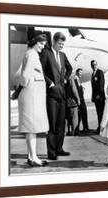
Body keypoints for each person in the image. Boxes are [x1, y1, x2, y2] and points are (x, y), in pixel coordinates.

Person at [18, 33, 49, 167]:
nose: (43, 46)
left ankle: (32, 156)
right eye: (41, 43)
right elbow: (25, 75)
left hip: (32, 96)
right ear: (36, 42)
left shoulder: (32, 54)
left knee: (32, 129)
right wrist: (21, 89)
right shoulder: (31, 54)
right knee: (32, 128)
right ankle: (33, 157)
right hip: (31, 96)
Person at [40, 32, 73, 160]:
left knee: (61, 124)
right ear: (53, 41)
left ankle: (59, 149)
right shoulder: (46, 53)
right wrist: (50, 83)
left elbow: (69, 69)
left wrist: (65, 78)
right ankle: (51, 152)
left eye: (63, 44)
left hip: (62, 94)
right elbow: (40, 70)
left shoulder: (63, 55)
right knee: (52, 124)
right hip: (52, 95)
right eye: (59, 43)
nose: (61, 46)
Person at [91, 60, 105, 134]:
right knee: (98, 113)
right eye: (93, 65)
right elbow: (93, 87)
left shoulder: (100, 72)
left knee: (101, 113)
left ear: (97, 65)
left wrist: (99, 95)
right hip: (96, 97)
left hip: (100, 97)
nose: (94, 66)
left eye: (95, 64)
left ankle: (102, 128)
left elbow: (101, 84)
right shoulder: (93, 74)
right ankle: (100, 127)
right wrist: (93, 97)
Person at [74, 68, 89, 133]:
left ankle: (82, 128)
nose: (81, 74)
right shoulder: (75, 79)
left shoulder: (77, 79)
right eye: (80, 72)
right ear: (77, 72)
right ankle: (82, 128)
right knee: (82, 113)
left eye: (81, 72)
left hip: (81, 98)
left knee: (81, 114)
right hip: (80, 99)